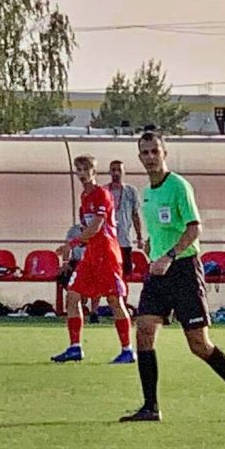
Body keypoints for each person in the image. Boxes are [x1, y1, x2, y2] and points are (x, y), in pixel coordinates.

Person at [118, 128, 225, 423]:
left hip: (184, 269)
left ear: (164, 153)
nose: (150, 157)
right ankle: (150, 407)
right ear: (139, 157)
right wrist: (154, 247)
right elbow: (162, 228)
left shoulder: (178, 186)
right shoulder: (148, 194)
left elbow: (194, 228)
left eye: (155, 151)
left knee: (198, 344)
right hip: (158, 272)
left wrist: (170, 255)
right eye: (145, 152)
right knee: (143, 331)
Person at [52, 155, 135, 364]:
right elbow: (86, 228)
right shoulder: (84, 198)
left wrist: (71, 245)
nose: (81, 174)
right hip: (91, 254)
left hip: (107, 254)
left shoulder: (102, 194)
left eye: (85, 169)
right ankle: (75, 347)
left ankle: (128, 350)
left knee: (114, 300)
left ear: (94, 172)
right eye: (78, 170)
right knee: (73, 295)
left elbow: (96, 227)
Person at [106, 159, 146, 284]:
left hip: (124, 240)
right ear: (109, 172)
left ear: (124, 172)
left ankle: (123, 302)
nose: (116, 173)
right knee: (108, 273)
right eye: (113, 170)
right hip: (108, 240)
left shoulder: (131, 191)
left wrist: (139, 236)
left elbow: (135, 215)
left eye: (119, 170)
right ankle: (108, 302)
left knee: (125, 274)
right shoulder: (104, 191)